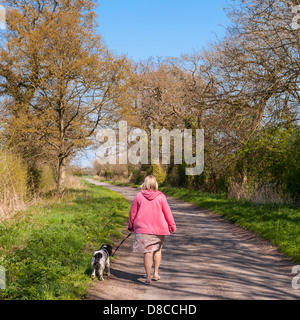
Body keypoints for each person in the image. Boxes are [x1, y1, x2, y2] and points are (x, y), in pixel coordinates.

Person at [128, 175, 176, 285]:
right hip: (159, 229)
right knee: (158, 250)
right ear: (155, 184)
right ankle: (156, 273)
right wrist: (172, 226)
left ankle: (148, 277)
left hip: (143, 229)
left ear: (145, 184)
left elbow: (133, 213)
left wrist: (130, 225)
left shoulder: (139, 196)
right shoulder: (161, 197)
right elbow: (167, 213)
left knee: (148, 252)